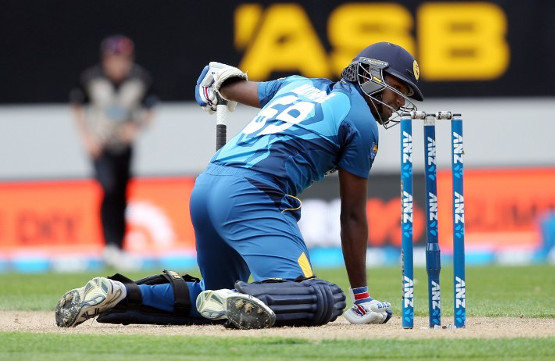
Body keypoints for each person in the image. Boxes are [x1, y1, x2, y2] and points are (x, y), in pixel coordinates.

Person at [56, 42, 424, 329]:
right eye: (396, 89)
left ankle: (121, 293)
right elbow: (353, 217)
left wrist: (215, 79)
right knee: (321, 297)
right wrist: (362, 297)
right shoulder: (361, 123)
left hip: (207, 187)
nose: (397, 102)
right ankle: (241, 295)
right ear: (368, 73)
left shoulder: (297, 84)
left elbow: (223, 84)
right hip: (252, 196)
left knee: (213, 298)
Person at [70, 35, 158, 269]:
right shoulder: (92, 78)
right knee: (107, 188)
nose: (118, 65)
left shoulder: (139, 79)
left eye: (123, 59)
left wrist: (136, 128)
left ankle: (119, 246)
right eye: (113, 59)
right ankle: (109, 244)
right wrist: (87, 138)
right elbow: (77, 105)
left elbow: (150, 108)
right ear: (105, 59)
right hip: (101, 146)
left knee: (122, 194)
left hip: (124, 146)